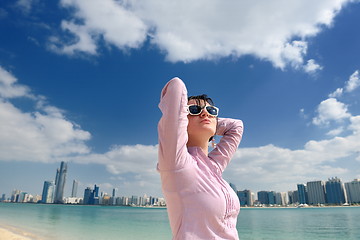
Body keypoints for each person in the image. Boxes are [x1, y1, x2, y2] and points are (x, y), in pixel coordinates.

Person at [157, 77, 244, 239]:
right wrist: (186, 120)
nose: (204, 113)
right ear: (181, 119)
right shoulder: (176, 162)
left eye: (211, 111)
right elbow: (176, 85)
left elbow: (236, 126)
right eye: (195, 110)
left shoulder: (215, 167)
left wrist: (209, 122)